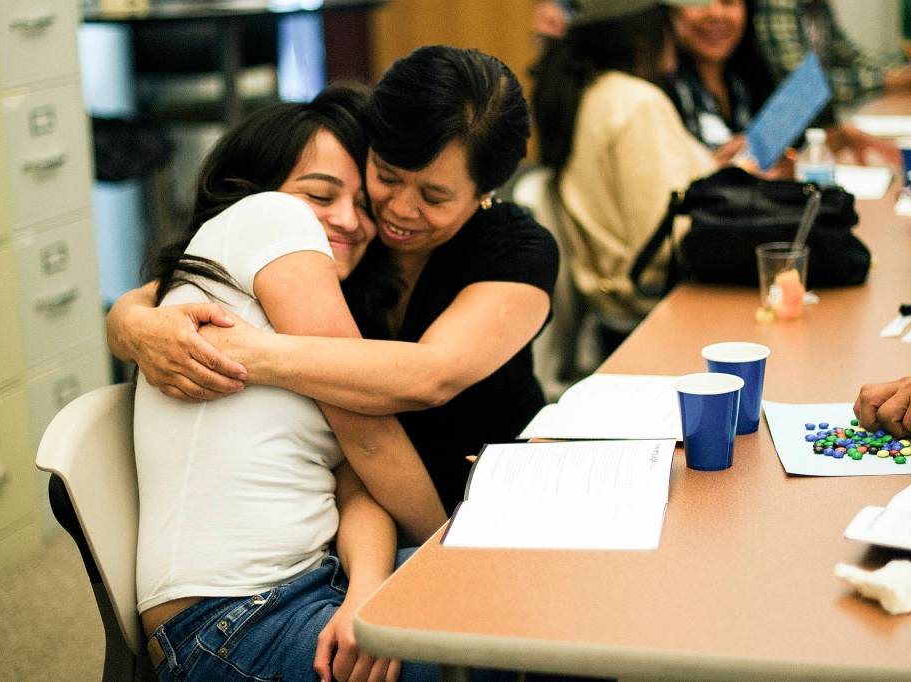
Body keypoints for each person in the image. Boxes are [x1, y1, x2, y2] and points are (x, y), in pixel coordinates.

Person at [109, 46, 559, 514]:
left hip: (490, 496)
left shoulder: (518, 252)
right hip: (349, 507)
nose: (399, 210)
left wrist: (247, 354)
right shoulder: (351, 232)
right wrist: (136, 327)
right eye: (386, 175)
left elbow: (431, 376)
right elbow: (159, 294)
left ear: (484, 193)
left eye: (434, 196)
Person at [133, 84, 440, 682]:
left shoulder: (287, 312)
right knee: (505, 641)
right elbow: (371, 434)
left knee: (529, 606)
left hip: (314, 584)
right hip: (227, 625)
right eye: (320, 195)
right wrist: (453, 545)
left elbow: (356, 491)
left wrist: (368, 593)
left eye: (362, 204)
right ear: (256, 190)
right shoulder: (268, 215)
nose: (350, 221)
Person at [531, 0, 717, 358]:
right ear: (646, 33)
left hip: (615, 318)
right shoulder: (637, 104)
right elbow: (662, 239)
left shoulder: (592, 92)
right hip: (658, 320)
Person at [753, 0, 909, 164]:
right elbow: (805, 86)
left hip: (815, 134)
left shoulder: (818, 5)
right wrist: (885, 81)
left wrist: (898, 71)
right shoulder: (778, 5)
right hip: (775, 142)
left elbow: (848, 54)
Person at [665, 0, 778, 162]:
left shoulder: (752, 82)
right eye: (699, 2)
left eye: (728, 2)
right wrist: (709, 167)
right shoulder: (656, 94)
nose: (716, 14)